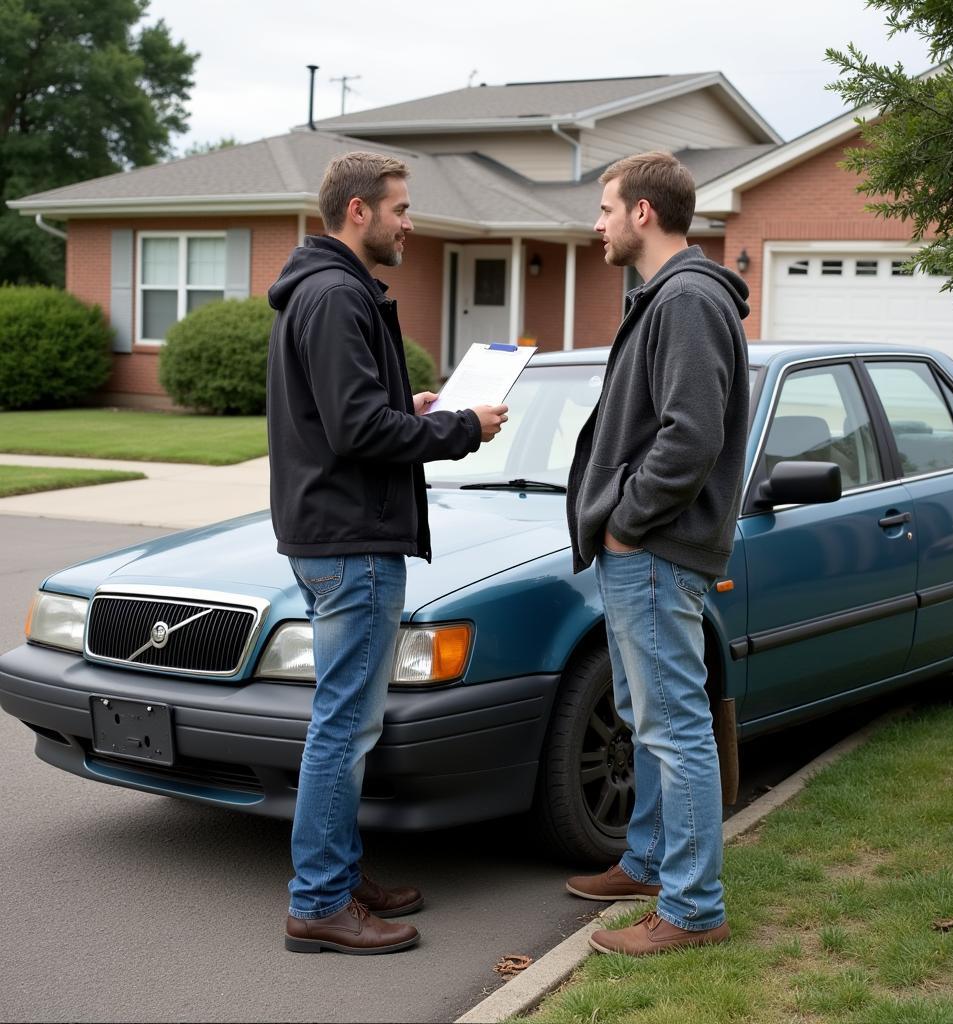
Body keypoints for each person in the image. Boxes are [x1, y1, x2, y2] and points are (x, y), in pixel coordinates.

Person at [266, 151, 507, 955]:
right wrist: (462, 427)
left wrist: (408, 407)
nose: (411, 222)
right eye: (401, 208)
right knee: (346, 729)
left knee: (341, 724)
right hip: (353, 542)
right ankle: (321, 902)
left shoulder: (322, 289)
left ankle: (335, 872)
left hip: (329, 533)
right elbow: (356, 432)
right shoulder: (336, 295)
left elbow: (347, 414)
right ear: (359, 212)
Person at [564, 151, 749, 956]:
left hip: (654, 547)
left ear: (643, 212)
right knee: (647, 718)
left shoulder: (686, 301)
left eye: (605, 209)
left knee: (674, 726)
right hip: (643, 548)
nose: (596, 225)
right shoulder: (666, 298)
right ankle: (645, 862)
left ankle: (694, 911)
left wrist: (627, 523)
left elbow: (692, 436)